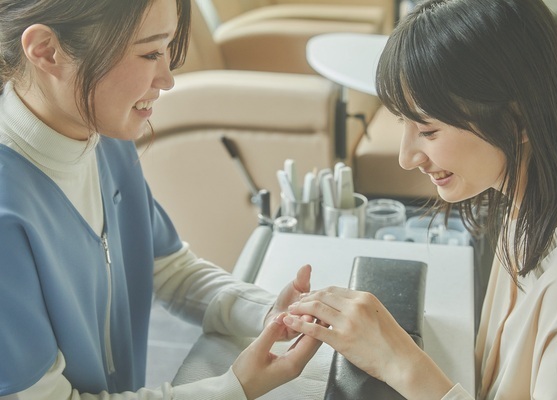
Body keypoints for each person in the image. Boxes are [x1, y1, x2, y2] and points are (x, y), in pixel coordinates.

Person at [0, 0, 321, 399]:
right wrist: (233, 389)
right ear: (47, 50)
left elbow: (168, 268)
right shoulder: (8, 213)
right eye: (150, 53)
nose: (167, 79)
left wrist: (269, 312)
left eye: (167, 49)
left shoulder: (100, 135)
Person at [284, 0, 557, 398]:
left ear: (517, 120)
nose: (406, 157)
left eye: (429, 131)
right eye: (403, 122)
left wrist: (402, 363)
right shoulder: (523, 206)